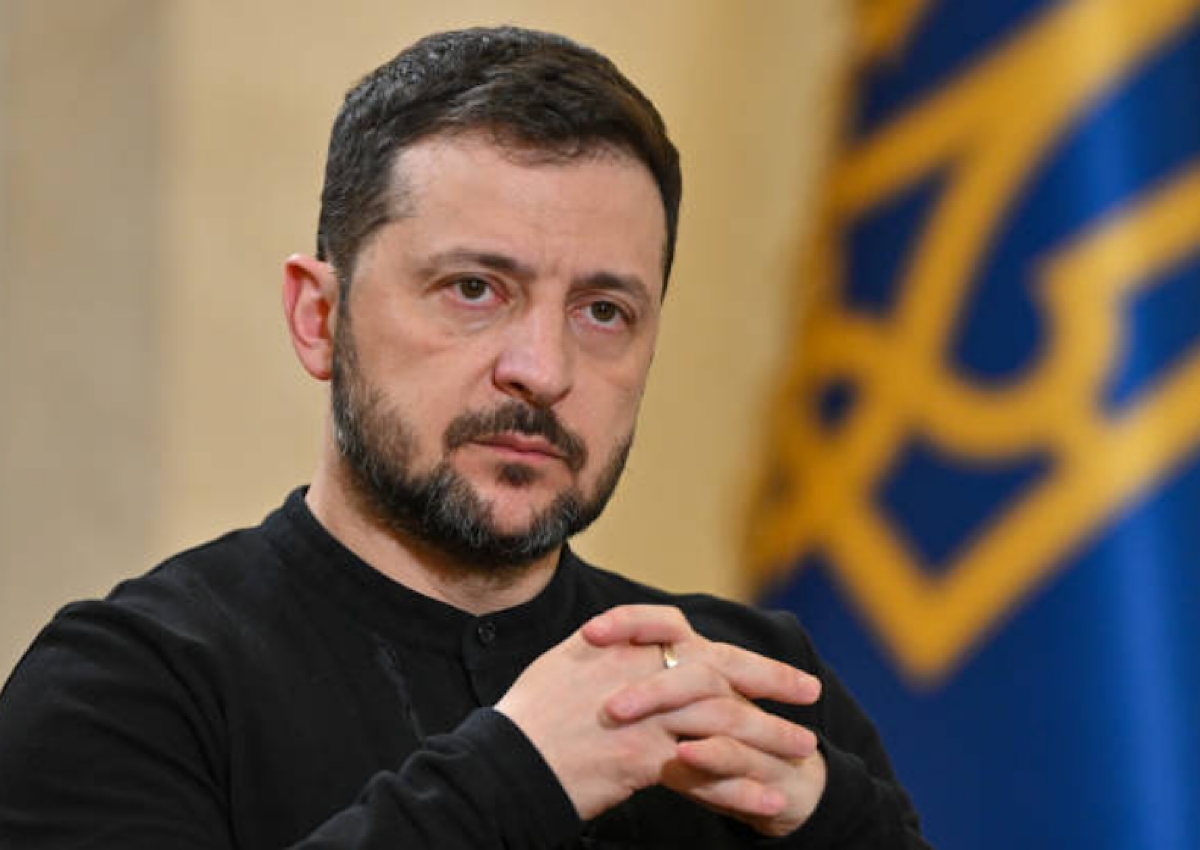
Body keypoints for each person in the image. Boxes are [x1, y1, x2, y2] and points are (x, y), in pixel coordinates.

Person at [0, 26, 929, 849]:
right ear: (319, 318)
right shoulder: (128, 686)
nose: (543, 369)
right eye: (475, 290)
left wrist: (838, 827)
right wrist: (515, 777)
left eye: (603, 311)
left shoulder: (754, 690)